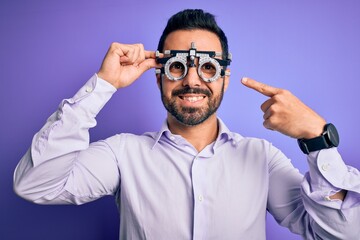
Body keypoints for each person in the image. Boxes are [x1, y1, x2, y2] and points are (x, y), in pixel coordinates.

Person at [14, 9, 360, 240]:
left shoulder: (261, 158)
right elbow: (36, 185)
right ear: (159, 76)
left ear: (225, 77)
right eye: (178, 67)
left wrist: (318, 141)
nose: (192, 81)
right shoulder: (124, 154)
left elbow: (340, 232)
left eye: (208, 68)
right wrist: (103, 85)